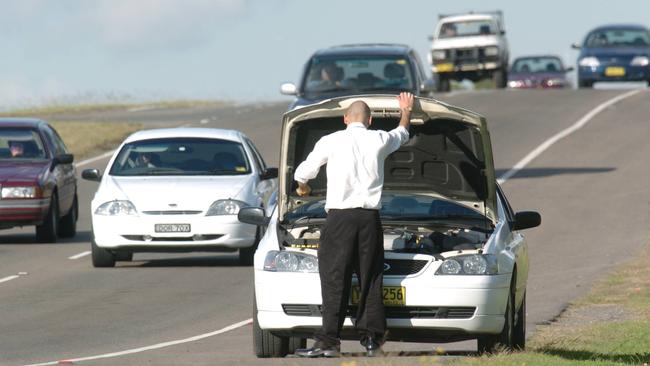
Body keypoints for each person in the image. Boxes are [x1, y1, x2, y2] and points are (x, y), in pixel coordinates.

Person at [293, 92, 414, 358]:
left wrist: (304, 186)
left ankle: (329, 341)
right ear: (370, 120)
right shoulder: (379, 139)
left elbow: (303, 173)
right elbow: (402, 133)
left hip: (339, 218)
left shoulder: (331, 141)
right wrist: (405, 110)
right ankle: (372, 340)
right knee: (370, 276)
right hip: (369, 219)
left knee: (335, 278)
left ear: (345, 118)